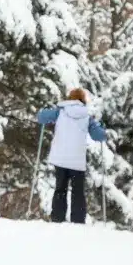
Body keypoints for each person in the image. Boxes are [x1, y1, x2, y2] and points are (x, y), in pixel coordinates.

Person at [36, 88, 107, 224]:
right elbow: (98, 135)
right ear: (83, 100)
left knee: (60, 189)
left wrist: (44, 112)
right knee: (77, 191)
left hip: (61, 158)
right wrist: (103, 130)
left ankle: (57, 218)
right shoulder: (87, 117)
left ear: (69, 99)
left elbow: (41, 117)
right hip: (77, 161)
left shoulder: (60, 112)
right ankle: (78, 220)